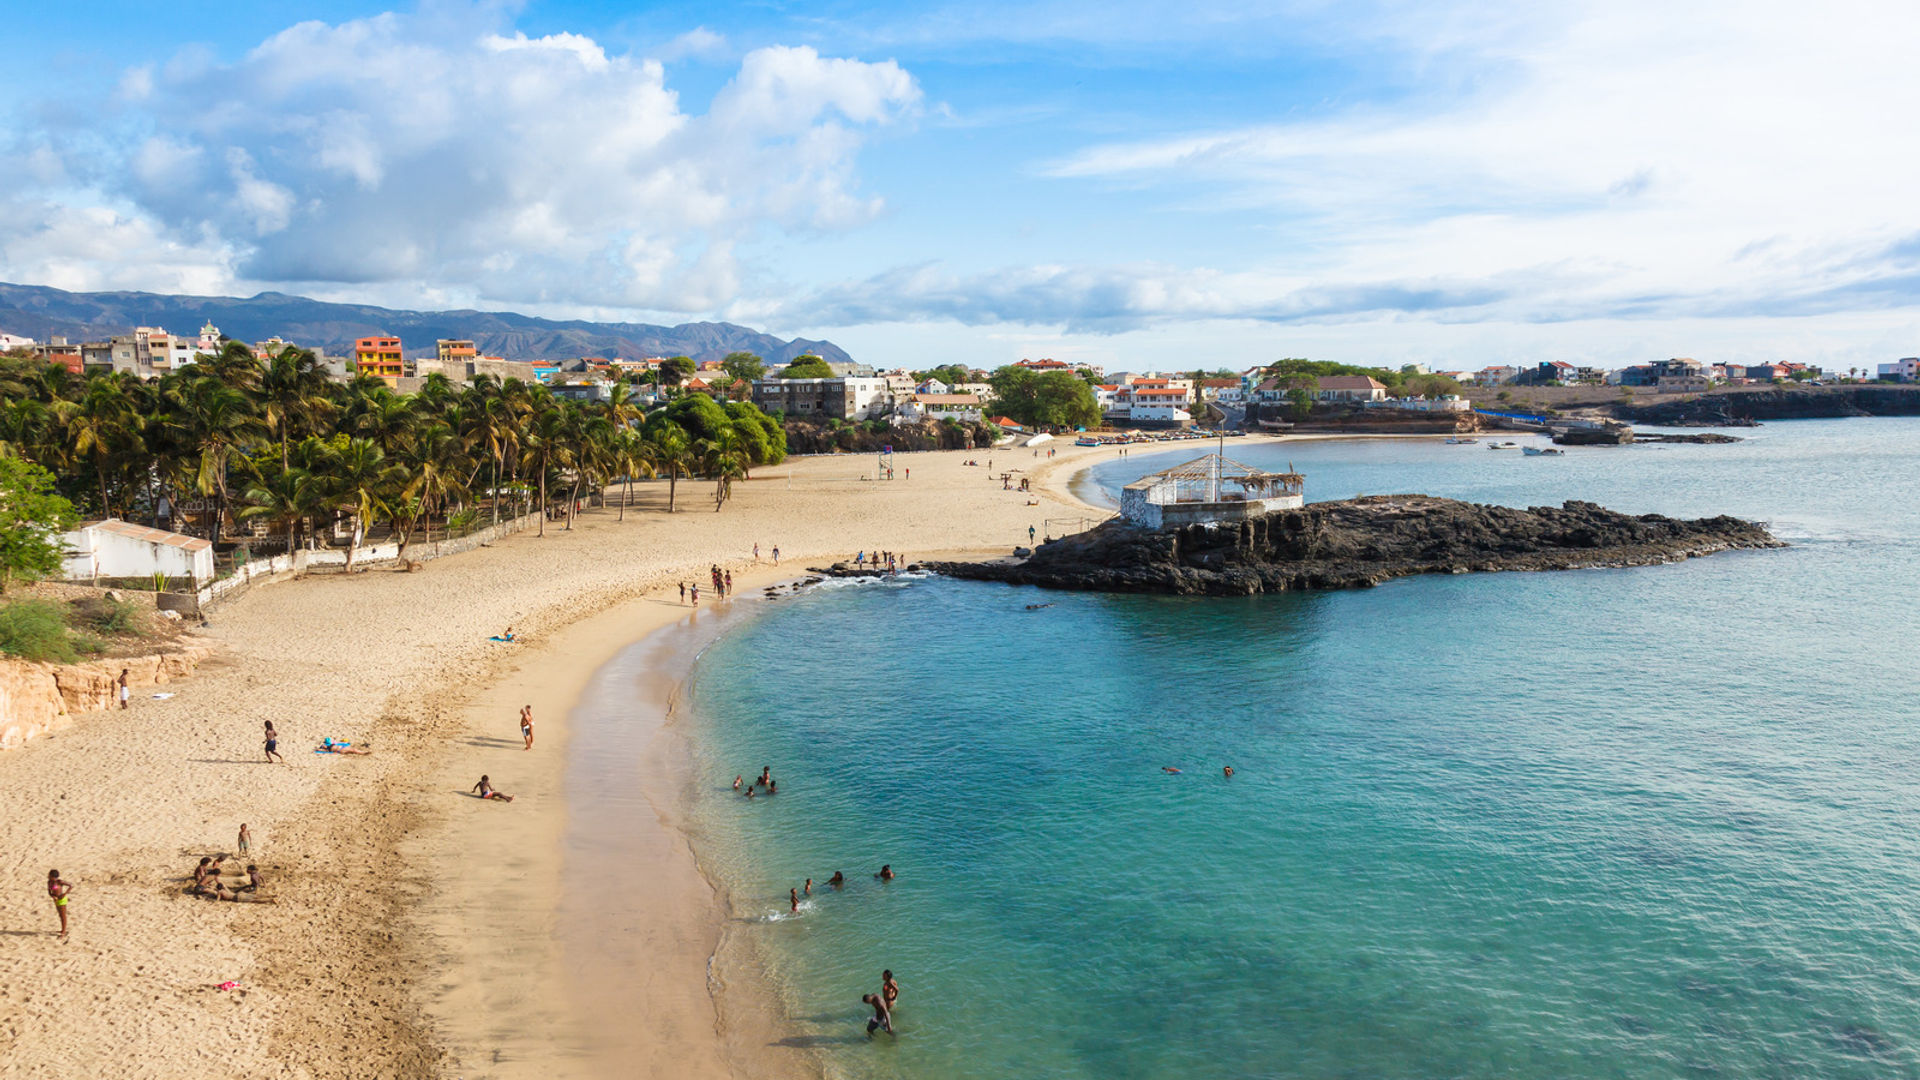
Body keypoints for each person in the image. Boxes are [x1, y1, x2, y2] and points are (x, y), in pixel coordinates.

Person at [47, 869, 72, 941]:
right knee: (60, 915)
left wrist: (65, 893)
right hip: (56, 900)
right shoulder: (49, 882)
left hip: (62, 899)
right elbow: (49, 892)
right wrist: (53, 896)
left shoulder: (59, 882)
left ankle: (63, 932)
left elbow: (71, 886)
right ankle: (62, 929)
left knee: (63, 915)